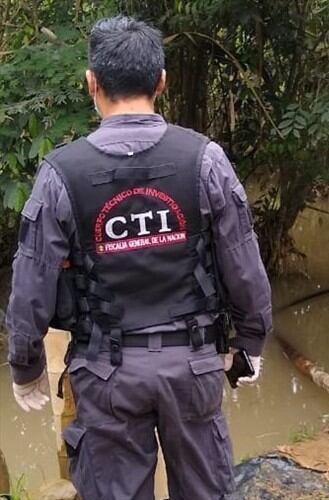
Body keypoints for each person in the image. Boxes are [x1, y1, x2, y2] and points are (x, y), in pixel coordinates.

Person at [6, 16, 272, 499]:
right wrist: (251, 340)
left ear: (92, 83)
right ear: (162, 81)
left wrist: (24, 366)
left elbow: (32, 281)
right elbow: (242, 261)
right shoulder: (205, 159)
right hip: (193, 366)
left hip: (106, 374)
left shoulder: (60, 174)